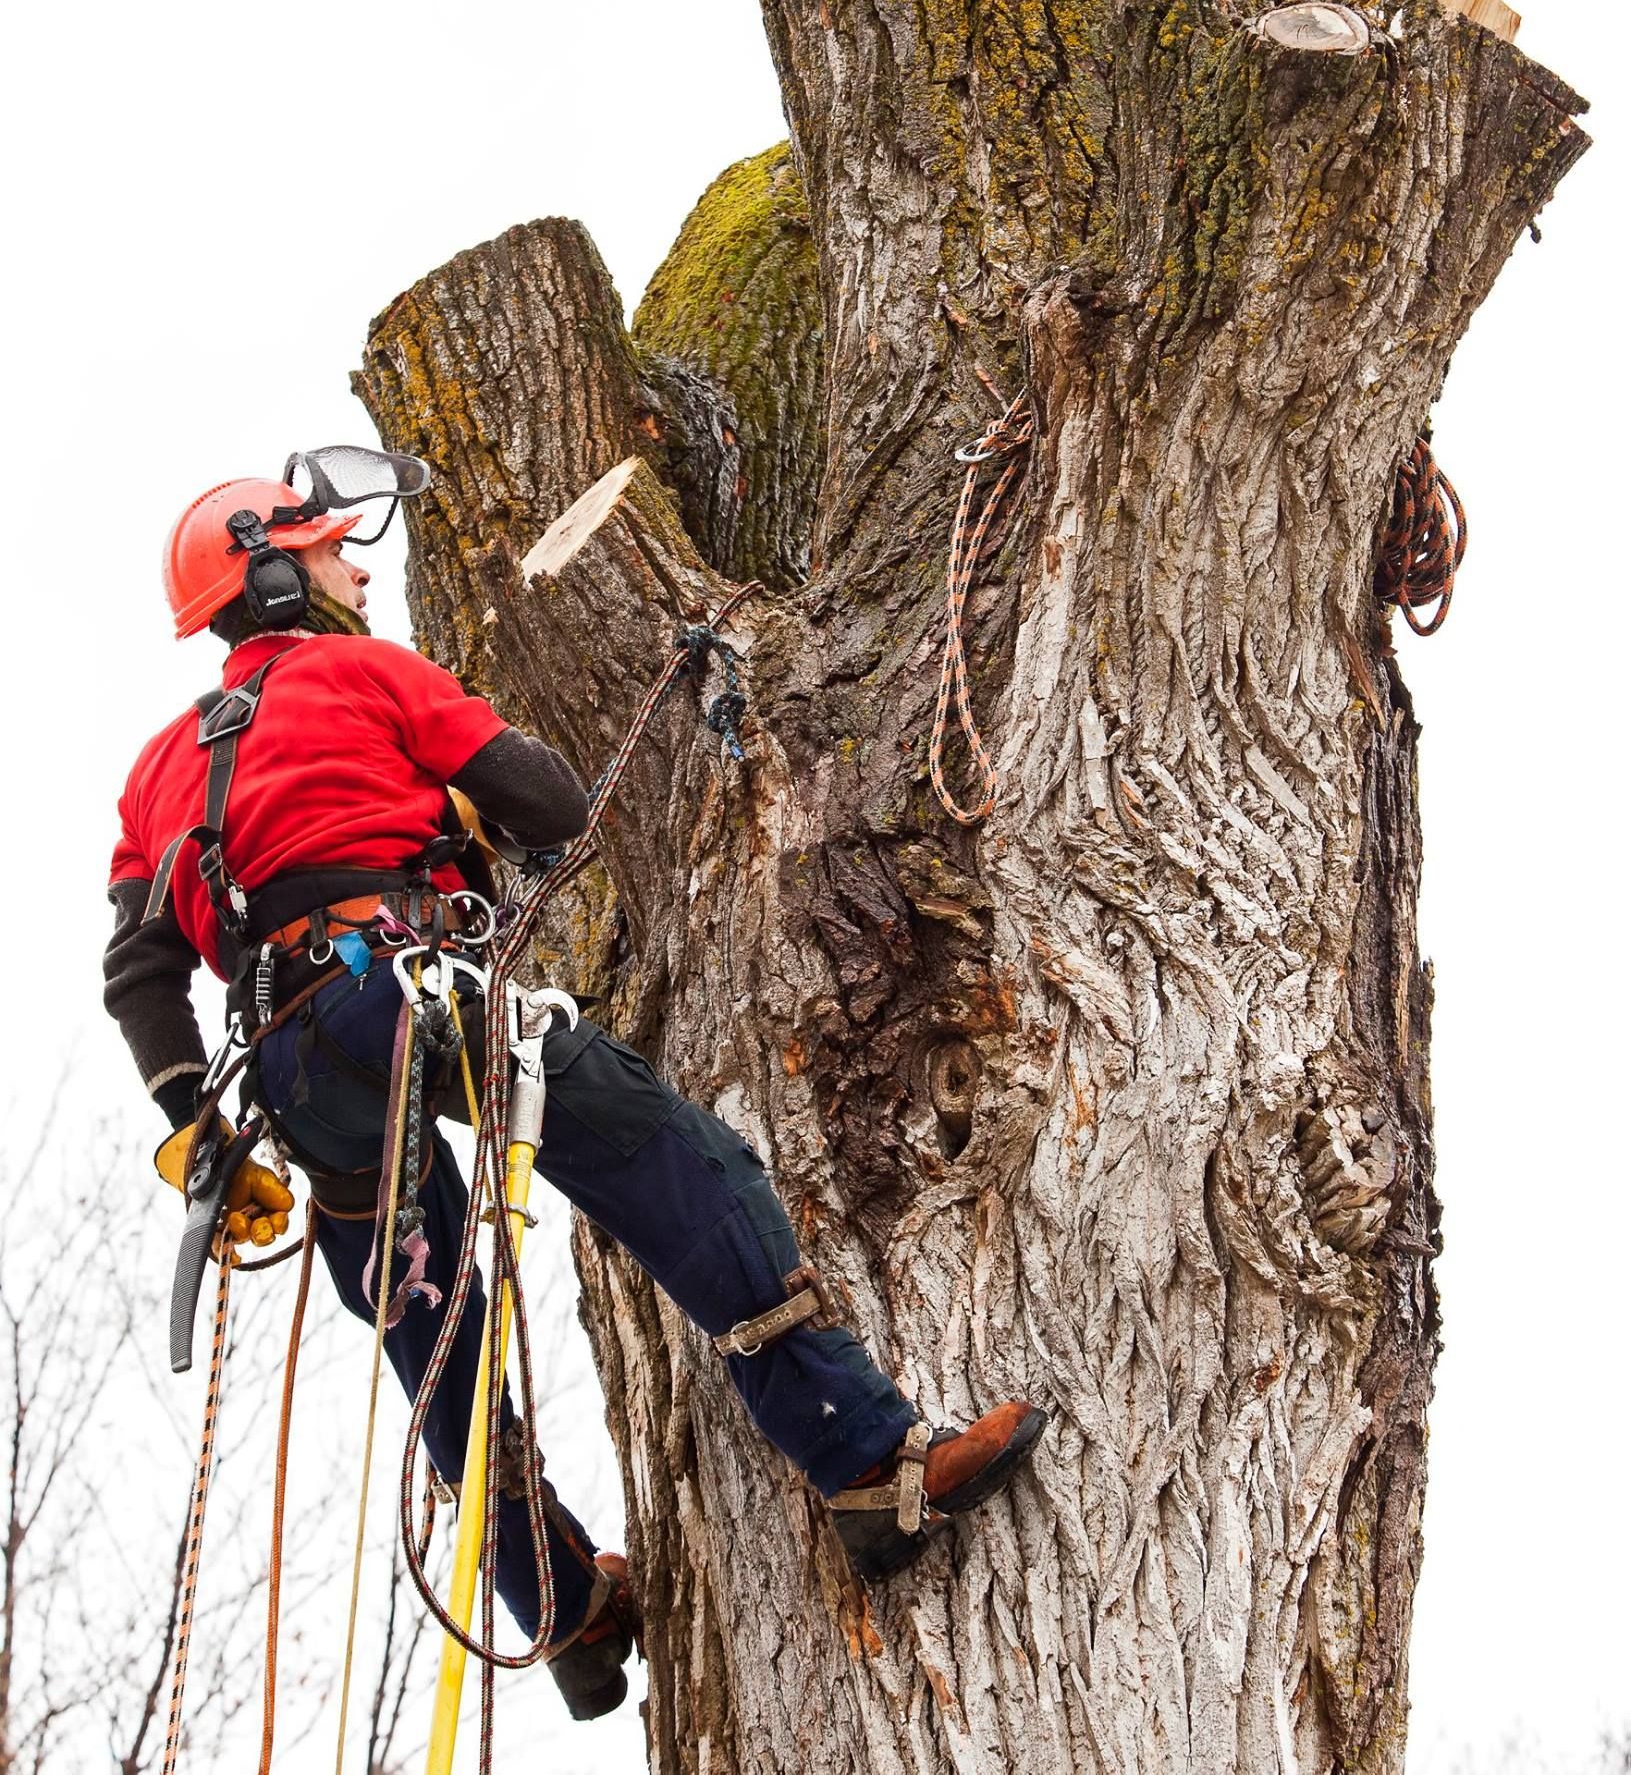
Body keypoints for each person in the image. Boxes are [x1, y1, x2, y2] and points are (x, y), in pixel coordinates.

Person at [104, 451, 1046, 1720]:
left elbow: (139, 973)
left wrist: (196, 1128)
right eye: (334, 551)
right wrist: (454, 805)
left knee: (431, 1328)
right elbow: (546, 795)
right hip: (408, 984)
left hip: (290, 1070)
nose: (358, 567)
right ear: (278, 570)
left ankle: (558, 1608)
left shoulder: (162, 772)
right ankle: (869, 1461)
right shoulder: (365, 672)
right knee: (681, 1166)